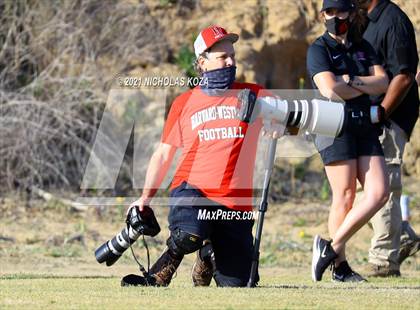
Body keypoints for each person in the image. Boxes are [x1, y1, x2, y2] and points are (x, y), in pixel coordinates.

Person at [122, 25, 265, 287]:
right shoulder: (184, 102)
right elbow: (164, 154)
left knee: (241, 285)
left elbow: (293, 117)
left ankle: (208, 257)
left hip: (235, 205)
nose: (231, 62)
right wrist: (145, 197)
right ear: (203, 63)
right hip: (193, 190)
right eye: (223, 58)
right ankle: (160, 272)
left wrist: (282, 122)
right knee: (189, 233)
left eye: (232, 56)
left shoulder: (254, 95)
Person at [307, 0, 390, 282]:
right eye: (329, 12)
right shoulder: (318, 49)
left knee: (379, 192)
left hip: (363, 123)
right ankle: (340, 268)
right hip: (333, 124)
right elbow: (330, 90)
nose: (335, 17)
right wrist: (363, 83)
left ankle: (329, 246)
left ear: (351, 13)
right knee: (344, 195)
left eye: (340, 11)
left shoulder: (363, 47)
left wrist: (350, 80)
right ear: (322, 16)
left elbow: (384, 83)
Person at [360, 0, 419, 277]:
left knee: (386, 182)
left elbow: (405, 76)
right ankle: (403, 236)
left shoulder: (393, 21)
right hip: (369, 116)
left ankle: (384, 260)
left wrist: (381, 113)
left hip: (390, 116)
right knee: (364, 188)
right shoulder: (366, 18)